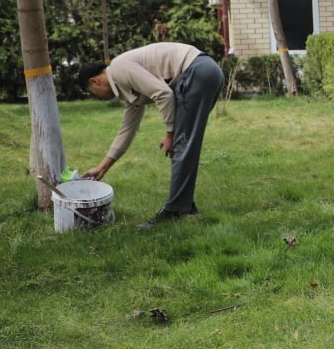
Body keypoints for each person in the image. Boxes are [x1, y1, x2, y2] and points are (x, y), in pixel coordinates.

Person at [77, 42, 225, 229]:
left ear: (95, 81)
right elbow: (127, 129)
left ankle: (174, 211)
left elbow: (162, 94)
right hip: (206, 72)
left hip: (197, 72)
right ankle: (185, 206)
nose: (98, 97)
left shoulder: (119, 68)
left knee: (181, 144)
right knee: (186, 144)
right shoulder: (126, 85)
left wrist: (169, 133)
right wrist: (102, 168)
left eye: (93, 93)